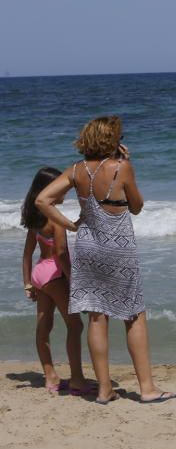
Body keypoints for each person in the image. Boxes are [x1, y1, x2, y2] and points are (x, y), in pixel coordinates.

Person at [35, 116, 176, 405]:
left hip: (87, 246)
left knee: (96, 317)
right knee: (133, 314)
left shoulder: (75, 170)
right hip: (119, 248)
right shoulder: (120, 167)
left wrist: (71, 224)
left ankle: (103, 389)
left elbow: (42, 200)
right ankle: (147, 388)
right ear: (111, 139)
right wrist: (126, 165)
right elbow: (136, 207)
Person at [20, 167, 91, 396]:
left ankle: (49, 375)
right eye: (60, 185)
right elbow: (60, 253)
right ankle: (78, 380)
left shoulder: (35, 217)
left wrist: (27, 284)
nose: (65, 191)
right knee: (75, 325)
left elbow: (27, 253)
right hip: (55, 274)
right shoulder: (55, 219)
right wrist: (74, 281)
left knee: (44, 325)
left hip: (39, 274)